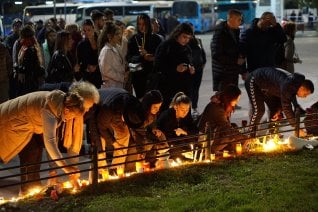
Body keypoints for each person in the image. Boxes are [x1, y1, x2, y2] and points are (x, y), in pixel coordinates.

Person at [0, 81, 100, 192]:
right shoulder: (50, 112)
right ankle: (27, 191)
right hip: (8, 122)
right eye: (86, 108)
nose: (72, 118)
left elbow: (52, 139)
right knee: (30, 155)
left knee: (35, 153)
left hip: (25, 124)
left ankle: (33, 189)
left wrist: (60, 170)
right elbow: (50, 143)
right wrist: (66, 169)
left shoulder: (61, 102)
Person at [87, 88, 145, 175]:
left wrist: (140, 149)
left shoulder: (135, 107)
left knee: (124, 133)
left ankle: (117, 169)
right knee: (99, 142)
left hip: (118, 109)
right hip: (97, 109)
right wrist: (115, 143)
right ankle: (101, 172)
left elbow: (137, 129)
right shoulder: (108, 108)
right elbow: (101, 128)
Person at [245, 67, 314, 137]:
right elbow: (287, 107)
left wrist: (279, 109)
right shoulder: (289, 85)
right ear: (301, 88)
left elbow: (284, 99)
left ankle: (272, 134)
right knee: (259, 110)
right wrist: (296, 127)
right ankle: (250, 136)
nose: (305, 97)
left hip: (268, 87)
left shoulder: (294, 85)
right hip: (254, 80)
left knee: (275, 111)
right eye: (305, 94)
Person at [153, 22, 195, 111]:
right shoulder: (166, 46)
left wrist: (191, 69)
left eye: (188, 38)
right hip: (168, 89)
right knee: (168, 114)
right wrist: (175, 68)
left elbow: (190, 63)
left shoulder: (187, 48)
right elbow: (158, 65)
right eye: (184, 37)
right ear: (177, 34)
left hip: (184, 89)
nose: (186, 40)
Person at [197, 85, 250, 153]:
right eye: (236, 99)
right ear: (230, 98)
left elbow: (227, 126)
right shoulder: (217, 109)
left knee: (234, 128)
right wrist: (244, 138)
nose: (237, 102)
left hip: (214, 133)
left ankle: (234, 147)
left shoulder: (222, 104)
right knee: (231, 136)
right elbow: (227, 129)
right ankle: (219, 150)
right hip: (206, 141)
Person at [127, 90, 169, 170]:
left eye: (159, 107)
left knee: (159, 137)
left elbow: (152, 123)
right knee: (149, 144)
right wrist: (141, 152)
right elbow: (139, 133)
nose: (158, 110)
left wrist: (154, 129)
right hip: (134, 135)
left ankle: (153, 163)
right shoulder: (138, 115)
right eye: (155, 107)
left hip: (144, 133)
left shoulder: (151, 113)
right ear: (148, 105)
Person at [126, 14, 163, 99]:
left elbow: (162, 57)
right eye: (139, 24)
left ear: (149, 24)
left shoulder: (157, 39)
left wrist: (152, 57)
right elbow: (129, 58)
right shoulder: (134, 39)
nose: (142, 27)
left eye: (144, 24)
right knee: (142, 100)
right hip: (138, 76)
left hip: (154, 75)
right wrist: (141, 57)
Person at [156, 92, 198, 160]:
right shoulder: (167, 117)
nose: (185, 112)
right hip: (167, 146)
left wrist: (184, 132)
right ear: (175, 107)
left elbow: (195, 130)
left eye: (187, 110)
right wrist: (183, 151)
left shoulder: (187, 116)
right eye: (182, 109)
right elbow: (167, 139)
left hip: (180, 144)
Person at [211, 9, 245, 92]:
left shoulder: (235, 31)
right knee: (224, 100)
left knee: (232, 98)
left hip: (232, 72)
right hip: (223, 74)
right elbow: (216, 54)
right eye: (239, 19)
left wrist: (242, 69)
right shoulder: (220, 32)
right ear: (230, 18)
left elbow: (236, 51)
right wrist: (235, 61)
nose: (240, 22)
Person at [98, 21, 126, 88]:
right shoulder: (106, 50)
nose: (119, 36)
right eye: (116, 34)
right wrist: (122, 77)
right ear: (109, 36)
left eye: (119, 33)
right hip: (111, 86)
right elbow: (106, 71)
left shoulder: (116, 47)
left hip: (118, 85)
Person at [77, 19, 102, 88]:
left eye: (89, 30)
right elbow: (79, 61)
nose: (86, 32)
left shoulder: (100, 41)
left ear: (93, 29)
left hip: (101, 74)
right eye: (84, 31)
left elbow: (104, 58)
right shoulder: (81, 44)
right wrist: (87, 67)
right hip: (87, 76)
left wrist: (96, 67)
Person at [187, 23, 206, 116]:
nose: (191, 31)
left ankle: (194, 107)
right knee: (189, 89)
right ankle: (187, 108)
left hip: (199, 69)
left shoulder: (198, 40)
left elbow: (202, 53)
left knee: (196, 89)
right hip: (189, 70)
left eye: (192, 29)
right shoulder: (184, 41)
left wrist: (203, 63)